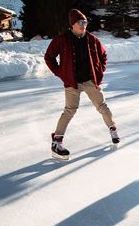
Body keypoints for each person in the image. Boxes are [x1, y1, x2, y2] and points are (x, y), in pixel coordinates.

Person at [44, 9, 120, 160]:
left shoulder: (92, 39)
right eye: (80, 22)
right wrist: (61, 73)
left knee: (102, 106)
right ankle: (57, 141)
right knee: (70, 110)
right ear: (73, 24)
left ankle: (112, 129)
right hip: (72, 82)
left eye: (85, 22)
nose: (83, 25)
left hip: (90, 81)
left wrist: (99, 71)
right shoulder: (62, 39)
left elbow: (103, 55)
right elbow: (49, 57)